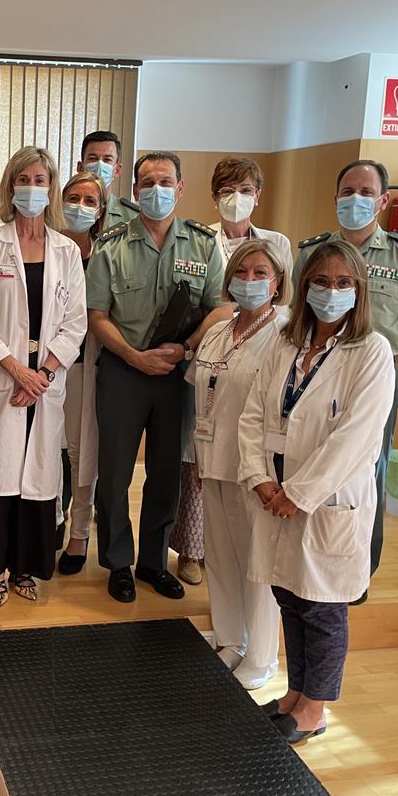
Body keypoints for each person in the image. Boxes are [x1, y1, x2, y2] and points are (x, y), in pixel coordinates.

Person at [238, 239, 394, 743]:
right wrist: (260, 477)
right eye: (321, 282)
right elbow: (255, 413)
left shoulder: (371, 351)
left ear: (359, 290)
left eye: (343, 283)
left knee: (323, 606)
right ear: (303, 288)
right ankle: (295, 694)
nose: (331, 291)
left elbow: (356, 438)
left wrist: (299, 493)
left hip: (326, 500)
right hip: (276, 489)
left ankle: (315, 710)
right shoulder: (286, 342)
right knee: (290, 596)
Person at [86, 151, 225, 603]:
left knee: (166, 473)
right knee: (115, 473)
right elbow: (97, 315)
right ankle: (118, 562)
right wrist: (133, 355)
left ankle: (152, 562)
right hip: (124, 371)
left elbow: (220, 308)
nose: (156, 190)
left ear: (180, 188)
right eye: (147, 183)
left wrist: (185, 348)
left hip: (177, 375)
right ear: (134, 191)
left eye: (165, 181)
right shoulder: (111, 245)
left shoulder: (204, 245)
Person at [295, 160, 398, 593]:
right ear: (335, 198)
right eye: (346, 191)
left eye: (364, 192)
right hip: (314, 373)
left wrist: (376, 372)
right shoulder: (312, 253)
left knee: (367, 471)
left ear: (381, 201)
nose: (354, 200)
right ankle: (305, 564)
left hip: (375, 379)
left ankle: (358, 573)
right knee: (310, 461)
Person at [0, 147, 87, 606]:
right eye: (23, 178)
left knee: (37, 478)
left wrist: (44, 375)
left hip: (44, 387)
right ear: (10, 186)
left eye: (40, 179)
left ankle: (25, 568)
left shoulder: (67, 250)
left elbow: (76, 322)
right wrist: (16, 370)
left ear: (50, 188)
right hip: (3, 383)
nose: (32, 187)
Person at [170, 156, 294, 587]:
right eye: (226, 191)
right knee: (197, 452)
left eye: (244, 190)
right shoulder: (198, 239)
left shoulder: (277, 241)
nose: (235, 199)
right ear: (213, 196)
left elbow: (278, 306)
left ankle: (246, 548)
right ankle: (192, 549)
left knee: (249, 453)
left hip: (256, 359)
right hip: (207, 357)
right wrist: (217, 321)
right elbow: (208, 305)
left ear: (258, 195)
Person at [188, 239, 289, 689]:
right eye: (241, 272)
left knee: (256, 561)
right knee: (221, 554)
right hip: (212, 458)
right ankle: (231, 639)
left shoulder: (285, 335)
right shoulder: (218, 329)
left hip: (254, 467)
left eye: (260, 273)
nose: (249, 281)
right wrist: (194, 454)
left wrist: (266, 472)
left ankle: (262, 657)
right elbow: (200, 398)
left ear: (278, 282)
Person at [55, 171, 106, 575]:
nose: (80, 207)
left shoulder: (107, 255)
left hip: (84, 366)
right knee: (46, 452)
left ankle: (79, 533)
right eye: (74, 197)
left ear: (102, 210)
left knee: (80, 452)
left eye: (90, 201)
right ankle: (50, 521)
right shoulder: (46, 246)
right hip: (41, 368)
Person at [76, 130, 137, 229]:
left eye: (107, 159)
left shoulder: (132, 217)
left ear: (117, 170)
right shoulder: (63, 211)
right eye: (93, 158)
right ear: (80, 167)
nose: (100, 164)